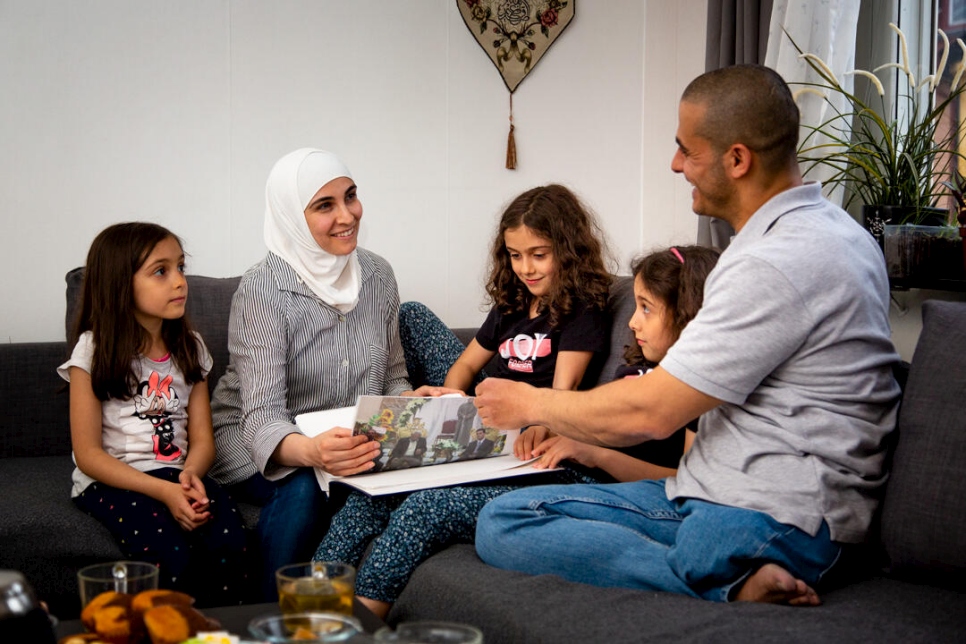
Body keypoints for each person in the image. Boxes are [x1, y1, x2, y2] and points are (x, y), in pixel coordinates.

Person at [473, 64, 902, 606]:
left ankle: (722, 575)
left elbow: (650, 412)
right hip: (707, 495)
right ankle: (727, 578)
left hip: (779, 515)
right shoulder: (826, 232)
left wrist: (530, 402)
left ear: (737, 159)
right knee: (503, 520)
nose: (676, 165)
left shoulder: (781, 259)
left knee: (704, 545)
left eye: (686, 151)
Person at [314, 184, 613, 619]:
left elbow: (559, 400)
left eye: (539, 254)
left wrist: (532, 420)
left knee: (419, 507)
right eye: (514, 255)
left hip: (537, 448)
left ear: (568, 250)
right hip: (488, 426)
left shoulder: (581, 307)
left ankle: (357, 622)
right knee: (367, 495)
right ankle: (312, 606)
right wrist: (451, 400)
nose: (525, 268)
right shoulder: (514, 304)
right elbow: (465, 367)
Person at [207, 148, 412, 600]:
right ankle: (267, 621)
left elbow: (394, 375)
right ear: (291, 217)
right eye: (325, 205)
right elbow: (260, 415)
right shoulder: (262, 288)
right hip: (254, 434)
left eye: (351, 196)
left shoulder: (378, 273)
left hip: (346, 437)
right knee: (304, 488)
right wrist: (314, 452)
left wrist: (410, 414)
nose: (347, 215)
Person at [59, 222, 248, 605]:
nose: (180, 281)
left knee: (232, 543)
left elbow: (202, 440)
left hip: (179, 474)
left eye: (180, 267)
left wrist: (190, 476)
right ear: (119, 283)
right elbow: (88, 455)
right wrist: (164, 491)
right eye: (161, 271)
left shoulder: (190, 347)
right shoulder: (92, 351)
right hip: (115, 480)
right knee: (169, 555)